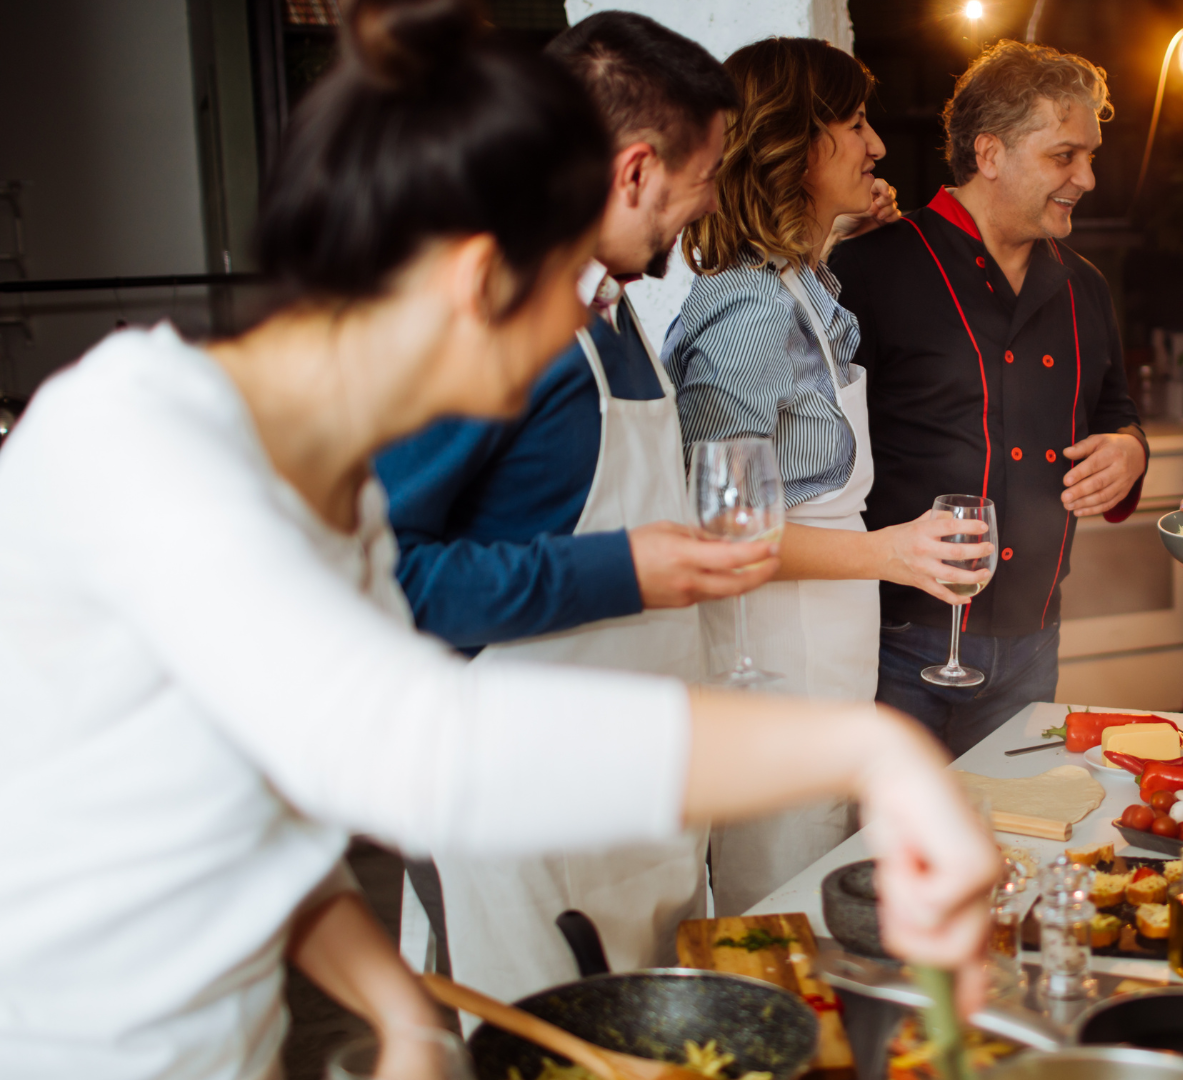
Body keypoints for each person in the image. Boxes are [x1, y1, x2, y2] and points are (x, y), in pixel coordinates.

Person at [0, 4, 998, 1077]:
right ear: (480, 279)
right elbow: (421, 749)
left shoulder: (338, 504)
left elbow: (265, 819)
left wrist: (396, 1014)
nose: (584, 324)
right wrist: (872, 751)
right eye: (573, 284)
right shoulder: (140, 439)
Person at [369, 11, 754, 1012]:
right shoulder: (484, 311)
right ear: (633, 174)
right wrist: (627, 569)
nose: (704, 211)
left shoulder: (611, 308)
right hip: (511, 820)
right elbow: (386, 577)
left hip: (626, 805)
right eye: (703, 181)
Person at [665, 37, 993, 915]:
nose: (877, 145)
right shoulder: (747, 309)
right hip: (773, 648)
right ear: (795, 146)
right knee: (775, 887)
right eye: (852, 124)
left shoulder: (796, 286)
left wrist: (836, 228)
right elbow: (718, 531)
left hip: (824, 638)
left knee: (814, 859)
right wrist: (894, 553)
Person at [830, 40, 1149, 756]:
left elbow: (1114, 411)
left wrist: (1129, 450)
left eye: (1091, 156)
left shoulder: (1085, 286)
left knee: (1010, 848)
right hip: (897, 644)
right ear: (990, 153)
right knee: (890, 856)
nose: (1088, 178)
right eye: (1064, 156)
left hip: (1036, 640)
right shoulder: (870, 267)